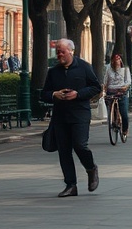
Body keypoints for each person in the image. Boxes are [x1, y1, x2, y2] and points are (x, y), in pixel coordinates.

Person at [41, 39, 102, 197]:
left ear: (71, 51)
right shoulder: (53, 72)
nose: (59, 54)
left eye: (62, 51)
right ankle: (71, 185)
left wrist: (78, 94)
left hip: (80, 113)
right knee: (64, 151)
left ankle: (91, 168)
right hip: (60, 116)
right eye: (57, 51)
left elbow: (96, 87)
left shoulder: (84, 67)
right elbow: (44, 93)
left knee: (80, 145)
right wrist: (55, 94)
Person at [103, 53, 132, 141]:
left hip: (121, 92)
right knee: (110, 108)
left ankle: (125, 129)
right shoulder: (109, 70)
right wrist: (104, 90)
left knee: (124, 114)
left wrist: (125, 87)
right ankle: (113, 120)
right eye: (115, 60)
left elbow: (128, 81)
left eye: (119, 59)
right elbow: (105, 81)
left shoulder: (125, 70)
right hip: (111, 91)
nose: (117, 62)